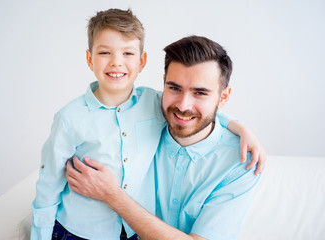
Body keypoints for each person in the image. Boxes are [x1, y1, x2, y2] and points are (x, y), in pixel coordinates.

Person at [32, 8, 265, 240]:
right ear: (89, 58)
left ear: (142, 61)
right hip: (77, 230)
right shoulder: (71, 117)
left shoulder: (239, 164)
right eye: (105, 52)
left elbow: (202, 114)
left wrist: (239, 127)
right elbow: (48, 185)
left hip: (129, 232)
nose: (183, 106)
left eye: (127, 53)